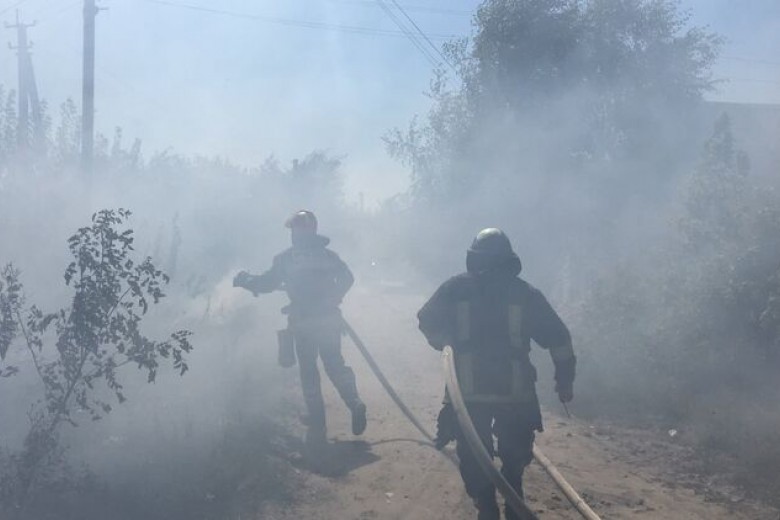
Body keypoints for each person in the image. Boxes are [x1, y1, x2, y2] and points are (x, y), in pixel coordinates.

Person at [417, 228, 576, 520]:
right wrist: (564, 381)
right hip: (514, 395)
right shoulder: (525, 294)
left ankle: (487, 504)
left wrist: (445, 343)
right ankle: (509, 499)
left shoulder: (455, 288)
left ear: (474, 258)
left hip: (468, 394)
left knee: (475, 456)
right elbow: (559, 339)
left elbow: (426, 321)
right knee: (513, 456)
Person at [233, 210, 366, 446]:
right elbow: (348, 278)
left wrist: (246, 280)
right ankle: (355, 402)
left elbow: (267, 283)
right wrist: (334, 297)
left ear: (296, 233)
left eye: (293, 230)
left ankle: (317, 422)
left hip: (304, 324)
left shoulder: (286, 259)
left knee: (309, 371)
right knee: (335, 364)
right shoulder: (328, 256)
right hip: (329, 320)